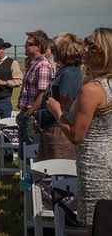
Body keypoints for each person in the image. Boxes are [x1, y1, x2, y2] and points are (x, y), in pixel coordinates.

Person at [46, 27, 112, 233]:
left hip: (95, 164)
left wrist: (57, 111)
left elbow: (76, 135)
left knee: (97, 222)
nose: (84, 48)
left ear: (104, 52)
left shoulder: (92, 89)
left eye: (91, 45)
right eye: (86, 42)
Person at [33, 32, 84, 161]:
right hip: (53, 128)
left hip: (60, 132)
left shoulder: (70, 74)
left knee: (57, 176)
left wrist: (38, 116)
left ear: (62, 51)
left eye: (54, 48)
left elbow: (63, 109)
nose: (51, 50)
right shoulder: (66, 72)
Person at [16, 30, 55, 157]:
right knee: (24, 152)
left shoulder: (43, 65)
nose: (25, 46)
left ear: (38, 47)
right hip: (26, 113)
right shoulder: (33, 64)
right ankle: (25, 177)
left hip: (33, 115)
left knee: (32, 154)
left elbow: (43, 94)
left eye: (28, 43)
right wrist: (22, 112)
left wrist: (28, 113)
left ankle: (31, 177)